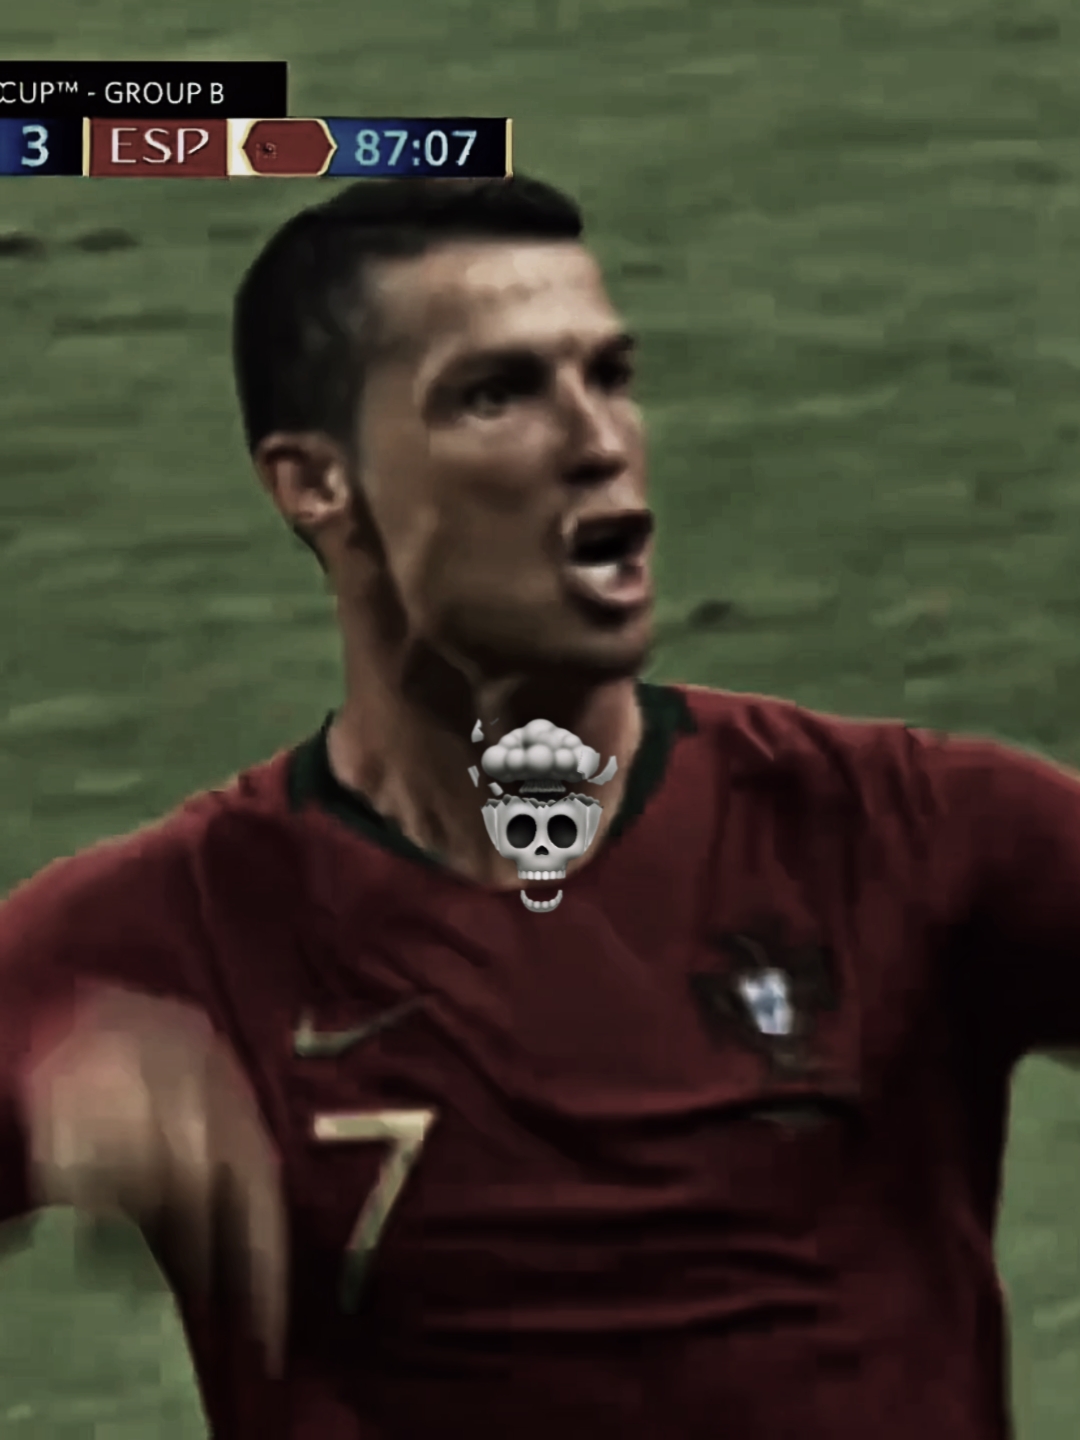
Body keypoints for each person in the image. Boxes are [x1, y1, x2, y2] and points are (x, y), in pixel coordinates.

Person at [1, 173, 1079, 1440]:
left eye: (610, 377)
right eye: (497, 393)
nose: (597, 439)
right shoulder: (165, 942)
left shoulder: (903, 834)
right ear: (315, 482)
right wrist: (47, 1109)